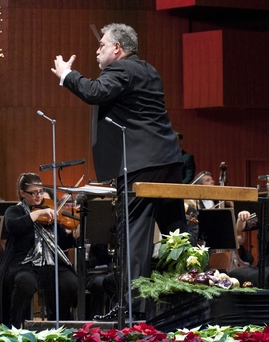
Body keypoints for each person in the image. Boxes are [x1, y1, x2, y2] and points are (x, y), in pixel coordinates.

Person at [52, 23, 186, 318]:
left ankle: (134, 314)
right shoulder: (149, 70)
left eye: (101, 45)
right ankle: (186, 304)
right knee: (177, 236)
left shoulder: (121, 68)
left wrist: (67, 75)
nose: (96, 50)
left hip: (140, 165)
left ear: (117, 48)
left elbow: (94, 91)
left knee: (134, 239)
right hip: (168, 161)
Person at [0, 173, 78, 328]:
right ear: (22, 193)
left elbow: (61, 242)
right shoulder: (15, 211)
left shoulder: (49, 211)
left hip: (50, 262)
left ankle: (57, 325)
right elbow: (13, 226)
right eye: (33, 193)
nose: (39, 196)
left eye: (40, 191)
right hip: (24, 262)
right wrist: (37, 213)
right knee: (25, 282)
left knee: (70, 282)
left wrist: (75, 234)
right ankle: (14, 327)